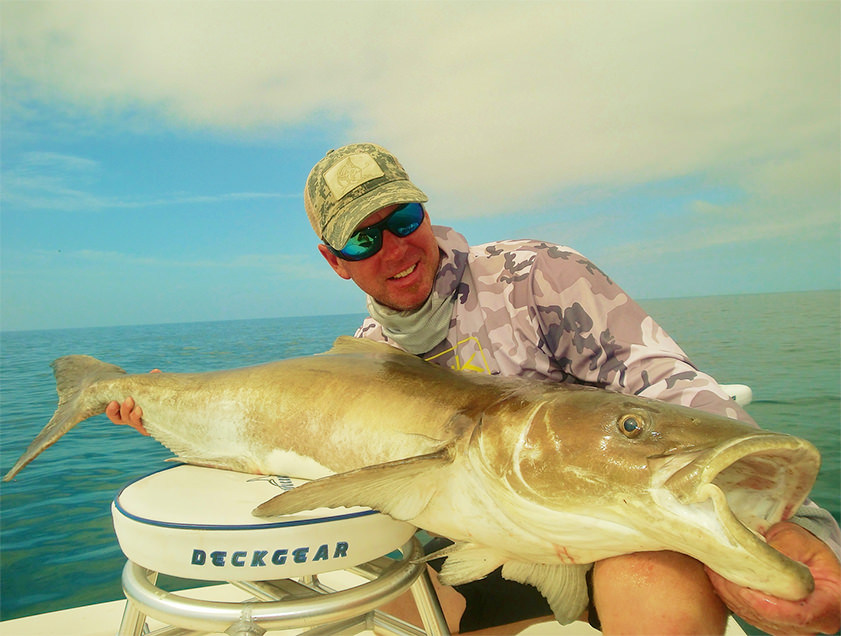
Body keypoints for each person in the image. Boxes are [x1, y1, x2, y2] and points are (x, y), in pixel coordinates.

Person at [108, 143, 841, 635]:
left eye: (403, 219)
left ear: (425, 212)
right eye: (365, 239)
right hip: (473, 544)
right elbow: (274, 457)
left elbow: (662, 385)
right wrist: (160, 411)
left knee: (659, 590)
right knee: (361, 601)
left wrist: (782, 521)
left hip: (602, 524)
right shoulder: (365, 357)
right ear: (336, 262)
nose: (395, 248)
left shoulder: (536, 275)